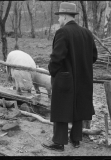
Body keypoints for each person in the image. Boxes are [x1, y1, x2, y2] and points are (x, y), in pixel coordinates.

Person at [42, 2, 98, 152]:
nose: (58, 20)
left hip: (64, 78)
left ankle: (59, 142)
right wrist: (81, 66)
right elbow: (94, 56)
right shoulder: (87, 33)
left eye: (59, 17)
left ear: (65, 16)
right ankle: (76, 139)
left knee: (61, 108)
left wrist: (52, 71)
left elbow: (56, 58)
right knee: (78, 107)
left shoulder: (62, 32)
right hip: (83, 78)